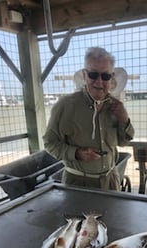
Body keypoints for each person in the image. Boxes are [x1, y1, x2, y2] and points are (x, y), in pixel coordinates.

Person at [43, 47, 134, 191]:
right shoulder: (65, 106)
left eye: (105, 76)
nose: (99, 82)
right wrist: (76, 153)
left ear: (111, 77)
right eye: (93, 75)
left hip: (111, 181)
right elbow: (50, 143)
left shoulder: (116, 107)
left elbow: (124, 142)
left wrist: (124, 119)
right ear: (85, 75)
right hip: (77, 183)